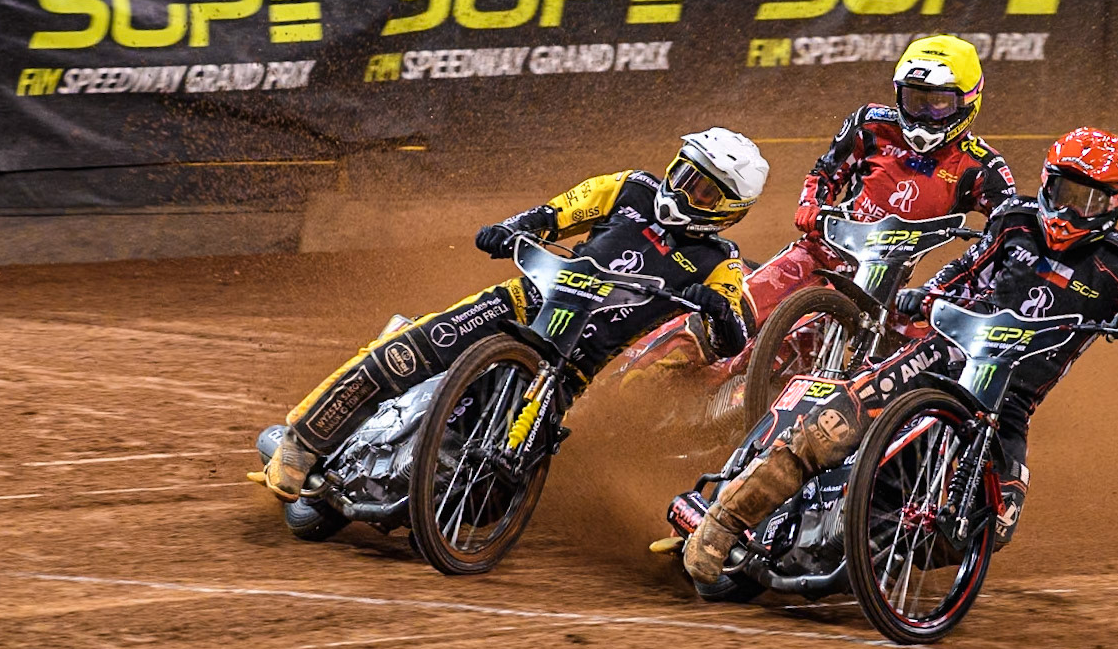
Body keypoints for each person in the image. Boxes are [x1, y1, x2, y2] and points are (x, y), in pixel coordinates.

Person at [682, 127, 1118, 583]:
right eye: (1062, 192)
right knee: (832, 425)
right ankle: (723, 523)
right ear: (1046, 182)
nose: (1068, 210)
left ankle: (863, 547)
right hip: (943, 354)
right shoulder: (1015, 221)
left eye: (1086, 200)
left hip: (1008, 404)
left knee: (993, 525)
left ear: (1115, 204)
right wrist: (925, 295)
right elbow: (965, 269)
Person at [251, 128, 769, 501]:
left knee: (498, 490)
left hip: (573, 364)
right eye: (683, 173)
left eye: (702, 190)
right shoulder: (631, 187)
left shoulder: (719, 261)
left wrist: (717, 310)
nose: (682, 190)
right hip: (526, 301)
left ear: (728, 210)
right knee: (418, 347)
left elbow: (737, 335)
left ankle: (441, 493)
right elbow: (555, 213)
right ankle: (302, 444)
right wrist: (509, 229)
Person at [620, 34, 1016, 377]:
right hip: (820, 250)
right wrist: (811, 204)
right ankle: (637, 375)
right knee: (736, 311)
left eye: (938, 105)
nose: (924, 114)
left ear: (967, 103)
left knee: (789, 358)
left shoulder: (983, 167)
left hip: (881, 281)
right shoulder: (871, 124)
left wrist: (968, 284)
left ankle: (727, 416)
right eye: (914, 100)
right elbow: (825, 173)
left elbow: (1010, 234)